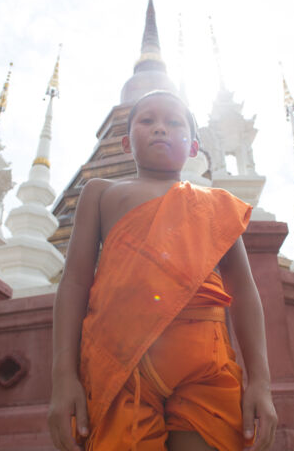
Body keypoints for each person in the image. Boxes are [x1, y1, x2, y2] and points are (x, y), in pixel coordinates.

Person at [48, 90, 277, 451]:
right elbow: (75, 282)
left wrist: (260, 383)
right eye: (147, 121)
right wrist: (63, 376)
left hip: (205, 360)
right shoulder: (101, 193)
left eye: (173, 123)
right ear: (126, 143)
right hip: (120, 358)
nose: (160, 129)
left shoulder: (216, 204)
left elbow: (244, 292)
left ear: (193, 147)